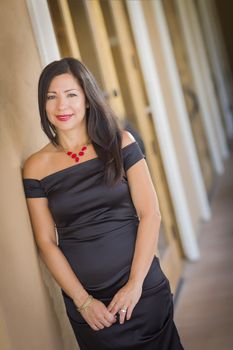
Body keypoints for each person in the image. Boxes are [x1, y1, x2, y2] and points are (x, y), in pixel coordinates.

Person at [22, 57, 184, 350]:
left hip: (142, 291)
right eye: (51, 97)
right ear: (42, 104)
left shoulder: (120, 143)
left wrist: (135, 286)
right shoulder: (35, 167)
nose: (62, 106)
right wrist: (83, 302)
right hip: (89, 306)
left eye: (71, 94)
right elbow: (45, 241)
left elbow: (151, 214)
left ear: (87, 99)